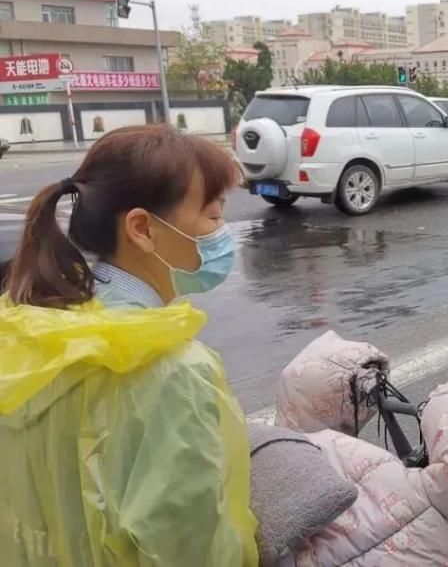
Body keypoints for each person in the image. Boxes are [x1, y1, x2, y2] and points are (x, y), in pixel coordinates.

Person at [0, 125, 259, 564]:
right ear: (142, 229)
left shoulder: (32, 332)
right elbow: (191, 546)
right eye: (213, 217)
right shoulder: (172, 372)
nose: (222, 234)